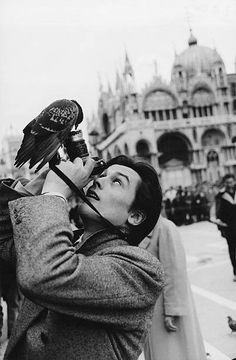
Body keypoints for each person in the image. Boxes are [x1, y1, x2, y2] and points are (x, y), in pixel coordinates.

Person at [0, 154, 164, 360]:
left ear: (135, 216)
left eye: (116, 181)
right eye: (102, 175)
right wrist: (39, 184)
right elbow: (3, 236)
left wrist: (54, 193)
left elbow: (44, 274)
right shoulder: (64, 243)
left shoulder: (141, 271)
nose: (98, 180)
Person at [140, 216, 207, 360]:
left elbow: (175, 270)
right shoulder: (140, 229)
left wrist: (172, 309)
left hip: (166, 310)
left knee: (176, 352)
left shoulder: (165, 227)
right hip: (151, 311)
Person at [216, 173, 236, 281]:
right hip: (230, 228)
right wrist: (221, 227)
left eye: (232, 182)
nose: (230, 184)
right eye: (228, 182)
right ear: (225, 183)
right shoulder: (222, 196)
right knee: (232, 250)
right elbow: (219, 214)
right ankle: (235, 272)